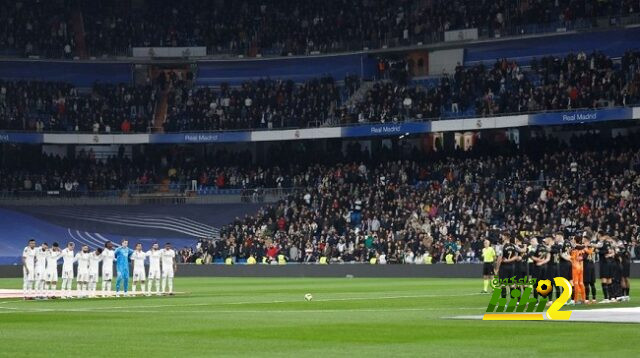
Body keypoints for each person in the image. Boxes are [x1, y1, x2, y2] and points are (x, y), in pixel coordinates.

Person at [496, 233, 519, 298]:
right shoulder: (513, 246)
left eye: (502, 236)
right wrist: (510, 260)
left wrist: (497, 268)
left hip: (504, 267)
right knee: (511, 284)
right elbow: (516, 256)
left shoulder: (502, 246)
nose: (502, 237)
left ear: (505, 237)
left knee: (503, 284)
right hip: (512, 267)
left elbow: (499, 258)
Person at [582, 236, 597, 303]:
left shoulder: (586, 248)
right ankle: (594, 298)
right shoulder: (592, 247)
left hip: (587, 266)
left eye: (584, 240)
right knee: (592, 283)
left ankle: (587, 299)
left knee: (587, 283)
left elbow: (584, 256)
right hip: (592, 265)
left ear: (586, 241)